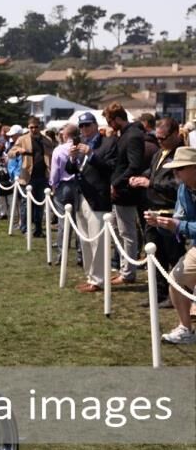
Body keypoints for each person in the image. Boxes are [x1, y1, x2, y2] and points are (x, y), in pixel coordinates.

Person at [132, 117, 185, 308]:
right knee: (155, 256)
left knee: (174, 257)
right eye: (157, 137)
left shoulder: (181, 155)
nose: (159, 141)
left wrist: (151, 183)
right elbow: (152, 171)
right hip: (153, 211)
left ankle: (176, 295)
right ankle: (158, 293)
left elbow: (178, 185)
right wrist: (142, 177)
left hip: (170, 213)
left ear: (176, 134)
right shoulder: (160, 153)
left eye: (163, 138)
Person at [147, 146, 196, 344]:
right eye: (174, 169)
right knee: (176, 279)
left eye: (180, 168)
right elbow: (179, 219)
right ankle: (186, 328)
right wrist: (161, 222)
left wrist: (178, 225)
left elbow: (181, 223)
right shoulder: (184, 188)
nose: (175, 173)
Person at [69, 112, 118, 292]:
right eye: (81, 126)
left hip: (98, 196)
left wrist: (91, 155)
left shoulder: (108, 143)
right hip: (81, 194)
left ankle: (100, 280)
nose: (84, 129)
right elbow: (71, 170)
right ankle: (91, 277)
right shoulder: (79, 144)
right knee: (85, 239)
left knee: (98, 241)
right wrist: (72, 158)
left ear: (96, 125)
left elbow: (110, 168)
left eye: (87, 125)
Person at [106, 103, 147, 285]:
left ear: (117, 119)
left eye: (109, 121)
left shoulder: (132, 136)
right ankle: (125, 269)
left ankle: (128, 273)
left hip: (126, 192)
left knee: (127, 233)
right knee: (119, 231)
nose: (109, 125)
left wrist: (116, 182)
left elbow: (134, 165)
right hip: (120, 191)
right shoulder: (126, 134)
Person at [12, 117, 55, 237]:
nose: (34, 129)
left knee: (40, 204)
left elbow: (52, 153)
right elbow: (10, 153)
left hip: (42, 175)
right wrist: (18, 151)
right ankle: (25, 228)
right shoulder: (22, 139)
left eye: (36, 127)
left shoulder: (47, 140)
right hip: (28, 176)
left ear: (39, 127)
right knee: (26, 203)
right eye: (31, 127)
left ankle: (38, 229)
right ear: (28, 127)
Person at [49, 124, 82, 265]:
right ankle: (81, 255)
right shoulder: (82, 148)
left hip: (63, 185)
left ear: (65, 135)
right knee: (80, 222)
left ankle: (62, 254)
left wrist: (53, 185)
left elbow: (55, 171)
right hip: (78, 185)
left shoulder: (58, 149)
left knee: (64, 222)